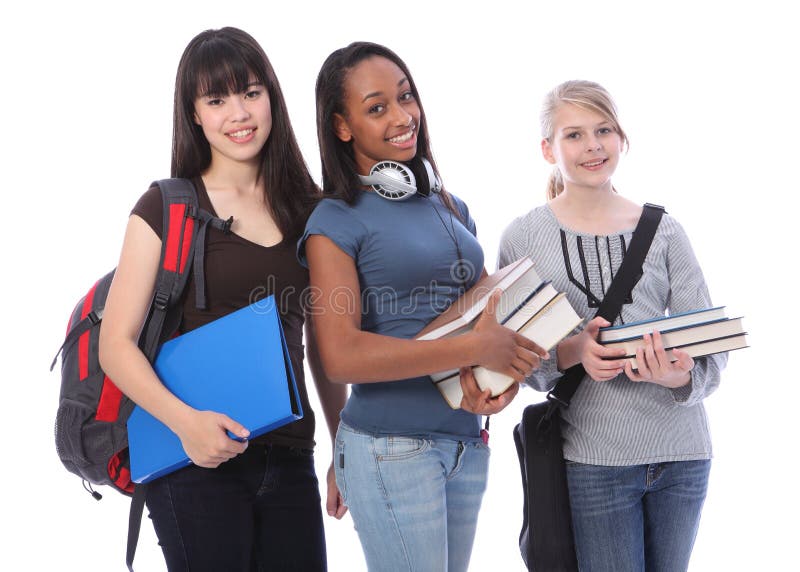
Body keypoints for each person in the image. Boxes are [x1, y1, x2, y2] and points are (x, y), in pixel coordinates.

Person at [98, 27, 346, 571]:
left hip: (289, 454)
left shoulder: (311, 211)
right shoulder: (165, 207)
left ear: (272, 99)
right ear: (194, 114)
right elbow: (115, 346)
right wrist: (186, 424)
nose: (239, 113)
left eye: (251, 93)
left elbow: (329, 346)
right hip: (192, 462)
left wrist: (341, 447)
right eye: (217, 100)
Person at [298, 42, 548, 572]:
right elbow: (339, 355)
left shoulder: (450, 207)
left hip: (464, 445)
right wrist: (475, 346)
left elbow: (480, 320)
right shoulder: (335, 222)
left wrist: (489, 385)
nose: (402, 115)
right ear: (342, 127)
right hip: (391, 448)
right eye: (377, 107)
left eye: (405, 97)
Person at [499, 80, 727, 572]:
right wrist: (573, 351)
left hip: (683, 454)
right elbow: (519, 361)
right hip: (593, 458)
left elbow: (712, 349)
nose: (593, 145)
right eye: (574, 134)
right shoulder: (523, 237)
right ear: (548, 149)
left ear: (622, 138)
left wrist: (676, 374)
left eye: (604, 130)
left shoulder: (665, 229)